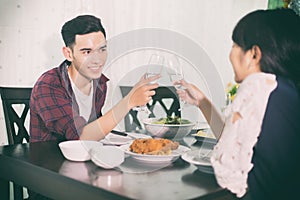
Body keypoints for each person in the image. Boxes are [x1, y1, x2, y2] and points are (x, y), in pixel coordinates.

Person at [175, 8, 300, 200]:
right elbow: (237, 145)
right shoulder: (284, 89)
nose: (230, 53)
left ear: (254, 55)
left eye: (235, 45)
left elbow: (227, 170)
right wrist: (202, 102)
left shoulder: (257, 85)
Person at [30, 15, 159, 143]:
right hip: (49, 160)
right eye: (87, 52)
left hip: (87, 159)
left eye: (102, 49)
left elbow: (96, 132)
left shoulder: (100, 83)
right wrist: (128, 101)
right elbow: (80, 136)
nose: (97, 60)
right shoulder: (49, 85)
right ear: (68, 54)